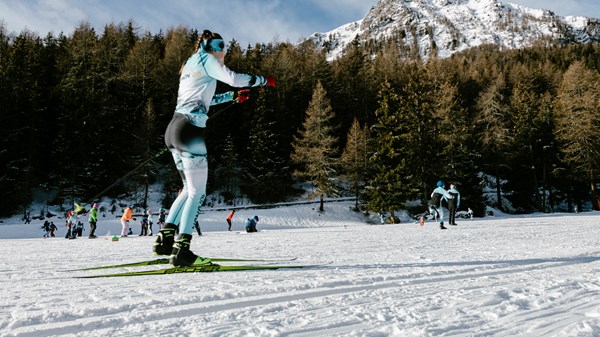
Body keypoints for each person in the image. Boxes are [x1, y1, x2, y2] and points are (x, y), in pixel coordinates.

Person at [153, 29, 276, 266]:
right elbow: (233, 77)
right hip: (189, 131)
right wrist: (263, 80)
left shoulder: (191, 63)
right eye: (220, 47)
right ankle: (182, 250)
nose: (223, 52)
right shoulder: (207, 58)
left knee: (187, 189)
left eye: (224, 47)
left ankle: (164, 239)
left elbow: (204, 100)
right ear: (209, 46)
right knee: (198, 192)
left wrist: (232, 97)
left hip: (174, 128)